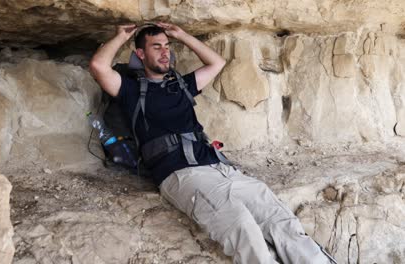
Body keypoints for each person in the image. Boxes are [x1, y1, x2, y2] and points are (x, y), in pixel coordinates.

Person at [89, 22, 334, 264]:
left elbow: (216, 63)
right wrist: (122, 36)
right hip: (182, 174)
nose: (165, 52)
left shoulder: (181, 85)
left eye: (167, 46)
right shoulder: (131, 91)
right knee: (242, 228)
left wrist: (183, 35)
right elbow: (98, 66)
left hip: (220, 168)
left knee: (280, 220)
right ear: (140, 54)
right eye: (156, 47)